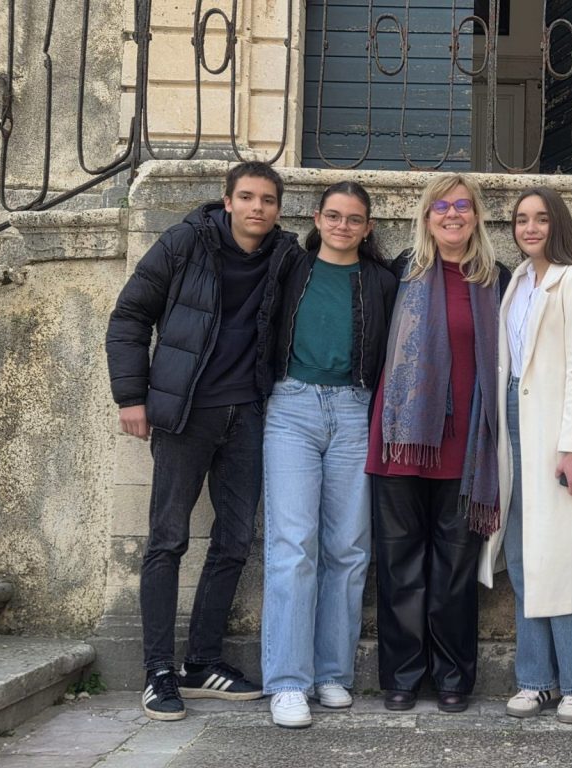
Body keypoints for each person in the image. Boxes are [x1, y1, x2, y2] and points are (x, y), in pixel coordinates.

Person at [106, 161, 299, 721]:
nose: (257, 207)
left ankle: (202, 662)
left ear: (278, 208)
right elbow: (130, 316)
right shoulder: (185, 243)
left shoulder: (285, 255)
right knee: (167, 540)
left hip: (249, 416)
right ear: (227, 199)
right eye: (248, 197)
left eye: (268, 200)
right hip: (185, 415)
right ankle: (158, 671)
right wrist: (131, 397)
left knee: (234, 541)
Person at [366, 173, 508, 714]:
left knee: (454, 570)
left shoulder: (497, 279)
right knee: (398, 564)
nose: (452, 215)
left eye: (462, 206)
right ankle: (401, 676)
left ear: (476, 216)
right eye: (441, 206)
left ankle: (453, 677)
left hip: (468, 447)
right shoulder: (400, 273)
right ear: (426, 217)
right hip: (401, 442)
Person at [262, 182, 397, 728]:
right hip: (291, 408)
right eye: (334, 216)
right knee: (293, 545)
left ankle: (332, 674)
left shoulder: (381, 281)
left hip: (355, 411)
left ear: (368, 228)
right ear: (317, 219)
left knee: (348, 547)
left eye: (354, 219)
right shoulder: (289, 266)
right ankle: (287, 683)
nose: (343, 226)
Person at [478, 188, 572, 725]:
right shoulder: (518, 282)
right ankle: (535, 681)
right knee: (525, 555)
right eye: (520, 219)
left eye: (540, 218)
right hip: (514, 425)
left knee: (567, 555)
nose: (529, 228)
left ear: (559, 224)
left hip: (557, 428)